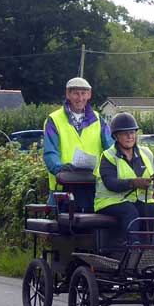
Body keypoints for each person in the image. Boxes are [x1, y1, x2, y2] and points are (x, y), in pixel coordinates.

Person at [95, 112, 154, 245]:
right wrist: (133, 183)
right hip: (109, 202)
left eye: (132, 132)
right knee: (129, 211)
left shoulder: (146, 153)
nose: (130, 136)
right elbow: (110, 183)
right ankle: (132, 246)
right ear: (116, 136)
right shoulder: (108, 156)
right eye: (125, 133)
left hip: (138, 201)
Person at [43, 77, 113, 209]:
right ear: (68, 94)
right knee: (64, 226)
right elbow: (50, 152)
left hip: (93, 185)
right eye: (76, 93)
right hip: (63, 186)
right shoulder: (54, 120)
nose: (80, 98)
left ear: (89, 95)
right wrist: (61, 168)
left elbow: (111, 149)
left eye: (83, 93)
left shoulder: (99, 120)